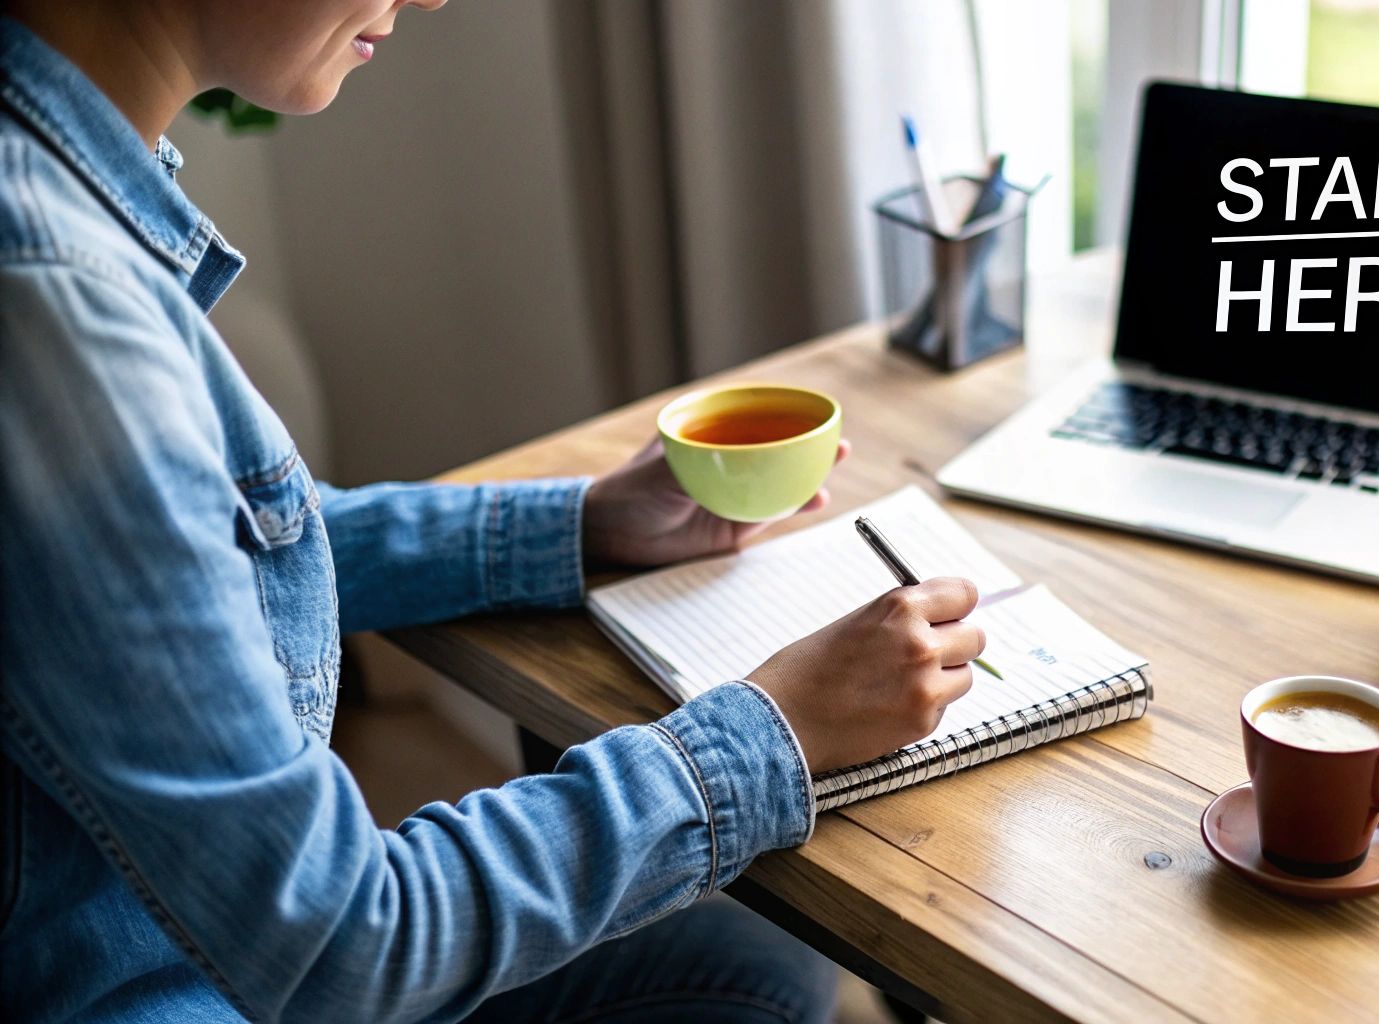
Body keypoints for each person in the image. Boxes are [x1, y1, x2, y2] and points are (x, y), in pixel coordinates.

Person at [0, 1, 989, 1020]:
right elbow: (346, 943)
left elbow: (197, 550)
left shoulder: (56, 182)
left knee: (747, 964)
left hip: (188, 948)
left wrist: (581, 522)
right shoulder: (53, 300)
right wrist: (770, 730)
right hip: (165, 989)